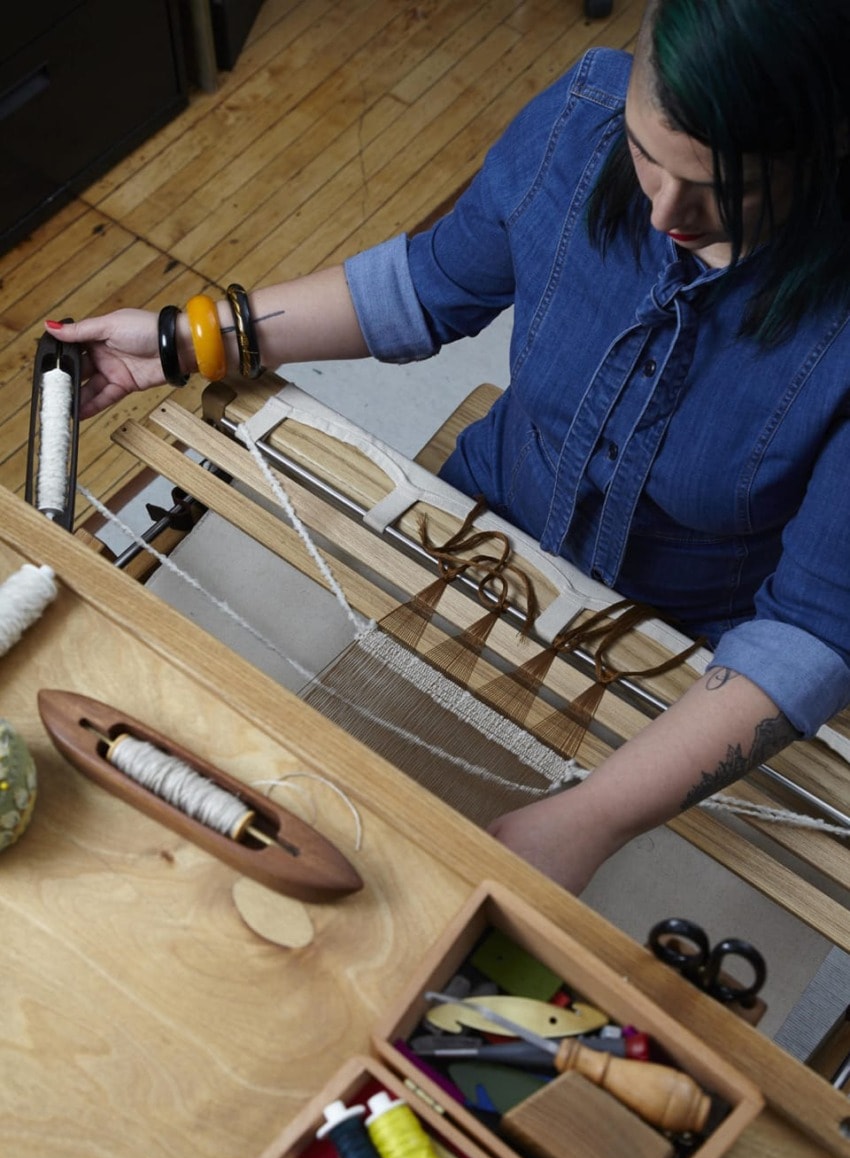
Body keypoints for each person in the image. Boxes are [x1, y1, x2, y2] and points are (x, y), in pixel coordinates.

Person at [46, 0, 850, 894]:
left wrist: (589, 819)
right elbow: (426, 286)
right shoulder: (574, 130)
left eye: (724, 191)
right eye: (646, 155)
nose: (666, 212)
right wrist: (175, 340)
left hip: (680, 652)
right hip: (480, 530)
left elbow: (807, 631)